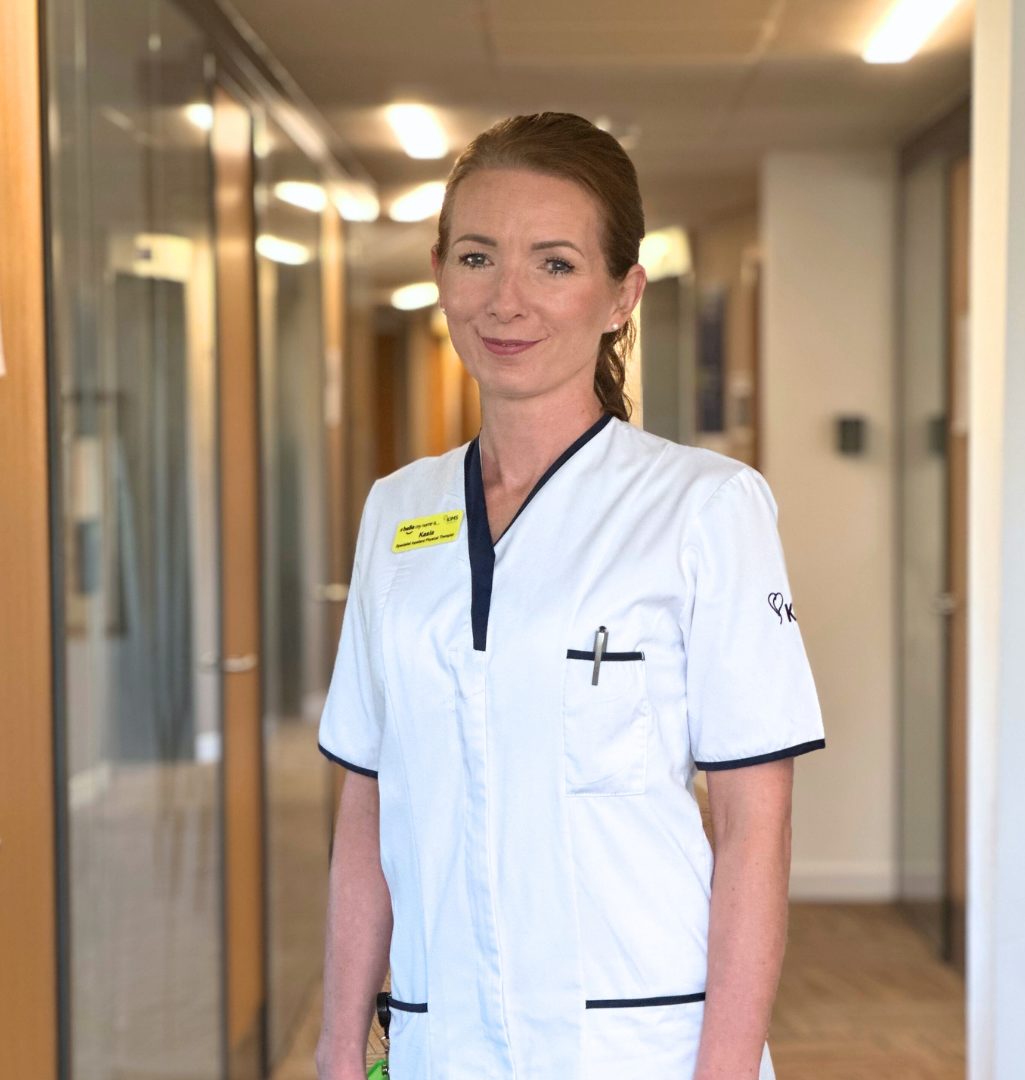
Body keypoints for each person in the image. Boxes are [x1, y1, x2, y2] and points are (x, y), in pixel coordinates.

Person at [316, 112, 825, 1080]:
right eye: (477, 257)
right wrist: (341, 1045)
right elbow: (367, 802)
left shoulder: (704, 509)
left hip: (639, 1047)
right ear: (440, 272)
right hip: (442, 1040)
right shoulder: (398, 514)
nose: (507, 300)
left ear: (621, 294)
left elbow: (756, 827)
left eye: (554, 264)